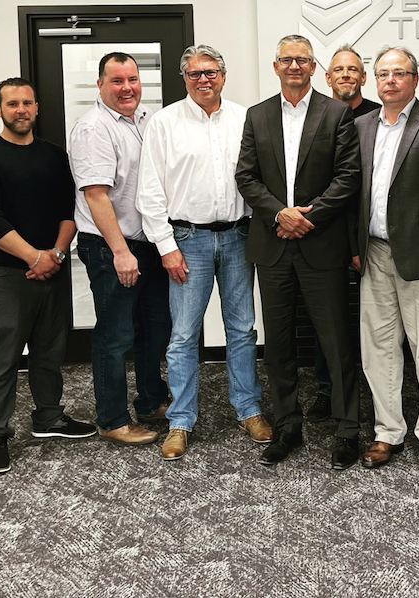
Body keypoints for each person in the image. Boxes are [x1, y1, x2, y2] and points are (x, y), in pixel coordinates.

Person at [137, 44, 273, 460]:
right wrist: (166, 247)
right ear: (185, 78)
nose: (203, 80)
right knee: (182, 337)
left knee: (242, 328)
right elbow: (150, 191)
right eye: (195, 73)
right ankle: (180, 421)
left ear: (223, 76)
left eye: (210, 72)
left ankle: (248, 410)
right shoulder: (164, 123)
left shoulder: (244, 119)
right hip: (187, 242)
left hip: (238, 238)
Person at [235, 34, 362, 469]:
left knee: (335, 342)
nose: (294, 66)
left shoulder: (336, 113)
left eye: (302, 60)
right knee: (280, 344)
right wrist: (279, 215)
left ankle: (348, 429)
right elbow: (246, 177)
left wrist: (309, 217)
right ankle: (288, 425)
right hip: (272, 247)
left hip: (320, 244)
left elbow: (348, 176)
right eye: (286, 60)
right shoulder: (257, 115)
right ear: (276, 67)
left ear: (313, 67)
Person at [0, 78, 95, 475]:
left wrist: (55, 253)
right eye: (12, 103)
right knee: (3, 354)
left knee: (49, 349)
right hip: (4, 273)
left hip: (51, 267)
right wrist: (34, 257)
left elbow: (69, 210)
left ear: (37, 108)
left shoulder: (55, 156)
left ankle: (49, 417)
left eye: (27, 103)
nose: (20, 110)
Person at [354, 46, 419, 477]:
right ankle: (388, 430)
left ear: (416, 80)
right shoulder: (361, 125)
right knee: (377, 347)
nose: (390, 80)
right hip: (374, 251)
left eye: (399, 73)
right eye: (383, 74)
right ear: (374, 81)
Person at [69, 52, 168, 448]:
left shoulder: (145, 120)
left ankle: (150, 400)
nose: (127, 88)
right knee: (115, 334)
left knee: (155, 326)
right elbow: (96, 195)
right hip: (112, 246)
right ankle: (112, 418)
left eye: (132, 79)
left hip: (146, 243)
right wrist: (120, 252)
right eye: (116, 81)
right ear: (100, 85)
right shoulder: (93, 128)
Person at [307, 43, 378, 421]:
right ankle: (327, 389)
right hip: (328, 235)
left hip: (372, 237)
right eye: (339, 70)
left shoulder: (380, 118)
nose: (346, 75)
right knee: (328, 320)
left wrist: (359, 243)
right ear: (327, 77)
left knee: (374, 322)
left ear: (363, 77)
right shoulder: (317, 117)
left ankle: (372, 393)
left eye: (353, 69)